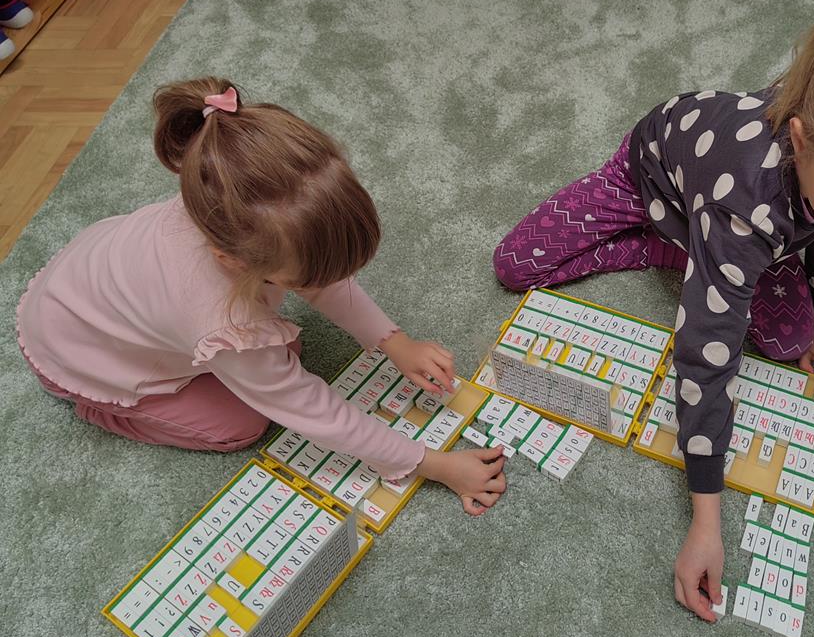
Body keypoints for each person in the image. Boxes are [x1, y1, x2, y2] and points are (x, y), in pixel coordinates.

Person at [493, 0, 814, 616]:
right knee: (518, 265)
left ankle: (699, 254)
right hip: (649, 178)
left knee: (793, 337)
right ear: (801, 141)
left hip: (740, 222)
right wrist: (705, 521)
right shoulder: (748, 204)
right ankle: (669, 246)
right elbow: (703, 359)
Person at [18, 78, 506, 516]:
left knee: (277, 351)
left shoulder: (226, 201)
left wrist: (394, 342)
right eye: (302, 281)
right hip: (80, 353)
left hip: (87, 287)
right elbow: (309, 409)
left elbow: (318, 275)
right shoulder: (222, 318)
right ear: (234, 261)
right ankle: (101, 405)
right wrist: (428, 463)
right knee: (242, 422)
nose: (325, 284)